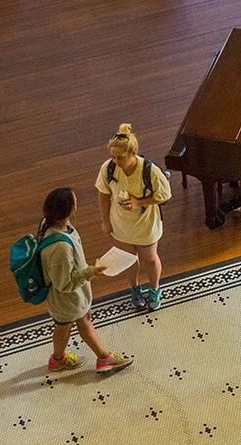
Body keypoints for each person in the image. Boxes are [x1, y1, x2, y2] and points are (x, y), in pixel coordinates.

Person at [37, 187, 132, 373]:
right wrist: (91, 272)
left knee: (75, 322)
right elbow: (65, 284)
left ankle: (58, 359)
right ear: (69, 210)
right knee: (73, 324)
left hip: (75, 296)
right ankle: (104, 358)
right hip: (68, 298)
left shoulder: (50, 224)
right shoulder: (60, 247)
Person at [96, 123, 172, 310]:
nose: (115, 162)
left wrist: (138, 202)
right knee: (128, 258)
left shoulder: (149, 171)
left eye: (120, 158)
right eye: (113, 157)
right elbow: (104, 194)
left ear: (133, 153)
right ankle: (135, 288)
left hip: (145, 225)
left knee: (150, 258)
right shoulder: (109, 169)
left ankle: (154, 289)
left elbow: (164, 195)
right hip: (121, 224)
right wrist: (105, 221)